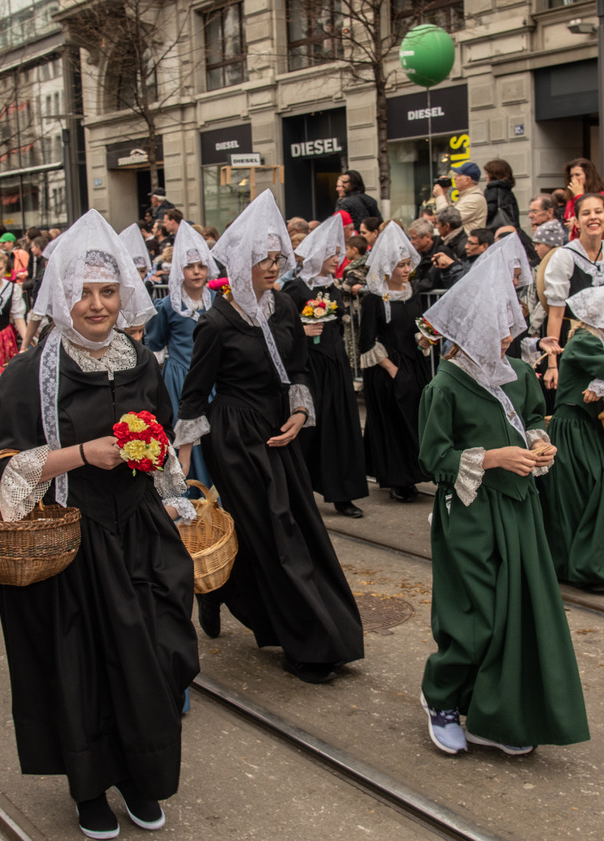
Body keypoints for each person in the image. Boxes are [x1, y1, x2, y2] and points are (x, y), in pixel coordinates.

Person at [0, 209, 198, 838]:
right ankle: (90, 788)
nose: (97, 305)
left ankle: (141, 774)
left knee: (157, 656)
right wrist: (81, 454)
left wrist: (165, 478)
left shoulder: (140, 360)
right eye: (84, 293)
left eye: (108, 291)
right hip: (70, 539)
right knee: (84, 669)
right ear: (61, 296)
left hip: (139, 532)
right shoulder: (30, 372)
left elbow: (160, 436)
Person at [177, 191, 364, 682]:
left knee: (296, 526)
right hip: (236, 437)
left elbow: (298, 368)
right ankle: (303, 642)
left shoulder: (282, 306)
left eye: (278, 258)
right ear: (242, 262)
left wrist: (300, 413)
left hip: (280, 428)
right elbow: (194, 395)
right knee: (274, 532)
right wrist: (182, 463)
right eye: (265, 259)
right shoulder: (215, 322)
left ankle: (222, 591)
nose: (274, 267)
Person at [416, 245, 588, 756]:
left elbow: (532, 416)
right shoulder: (444, 386)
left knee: (518, 613)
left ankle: (497, 711)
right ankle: (441, 697)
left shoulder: (518, 372)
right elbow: (434, 458)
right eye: (498, 327)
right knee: (475, 615)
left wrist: (538, 442)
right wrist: (493, 458)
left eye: (511, 325)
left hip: (519, 508)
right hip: (471, 512)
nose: (508, 336)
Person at [541, 280, 604, 592]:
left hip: (585, 427)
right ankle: (587, 567)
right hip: (575, 428)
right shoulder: (587, 340)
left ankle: (576, 564)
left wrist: (603, 386)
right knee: (586, 491)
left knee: (583, 492)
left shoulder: (592, 339)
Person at [283, 214, 368, 518]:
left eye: (338, 254)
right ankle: (300, 495)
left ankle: (343, 494)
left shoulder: (332, 287)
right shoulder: (295, 289)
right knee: (308, 430)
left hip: (335, 366)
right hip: (309, 368)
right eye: (332, 254)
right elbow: (280, 329)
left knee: (340, 429)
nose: (337, 259)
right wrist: (301, 331)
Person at [360, 223, 432, 501]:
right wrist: (392, 370)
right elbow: (367, 341)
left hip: (413, 365)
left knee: (414, 420)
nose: (406, 270)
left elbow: (416, 327)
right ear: (387, 267)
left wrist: (423, 340)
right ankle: (397, 479)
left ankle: (413, 474)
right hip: (388, 369)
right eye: (400, 265)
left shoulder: (412, 293)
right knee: (393, 423)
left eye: (407, 264)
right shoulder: (374, 299)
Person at [144, 220, 217, 489]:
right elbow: (155, 342)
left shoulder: (216, 301)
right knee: (186, 438)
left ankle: (215, 494)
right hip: (180, 379)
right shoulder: (168, 305)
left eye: (201, 266)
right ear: (179, 269)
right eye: (189, 266)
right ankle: (190, 494)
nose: (197, 272)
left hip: (212, 378)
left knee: (213, 434)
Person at [543, 194, 604, 390]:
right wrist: (552, 364)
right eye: (586, 213)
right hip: (577, 346)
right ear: (576, 222)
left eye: (598, 212)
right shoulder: (565, 256)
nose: (593, 217)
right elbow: (556, 313)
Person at [560, 158, 604, 239]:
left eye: (577, 175)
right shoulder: (570, 197)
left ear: (588, 176)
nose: (573, 179)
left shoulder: (601, 195)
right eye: (571, 176)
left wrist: (579, 195)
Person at [433, 162, 487, 234]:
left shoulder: (474, 199)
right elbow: (450, 211)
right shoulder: (466, 196)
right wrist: (445, 193)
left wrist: (440, 196)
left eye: (458, 175)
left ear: (467, 180)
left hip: (468, 240)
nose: (454, 178)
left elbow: (446, 220)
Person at [483, 159, 521, 230]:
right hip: (510, 229)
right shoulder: (507, 189)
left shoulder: (493, 190)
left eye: (487, 173)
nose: (485, 176)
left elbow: (489, 211)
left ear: (493, 175)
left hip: (495, 231)